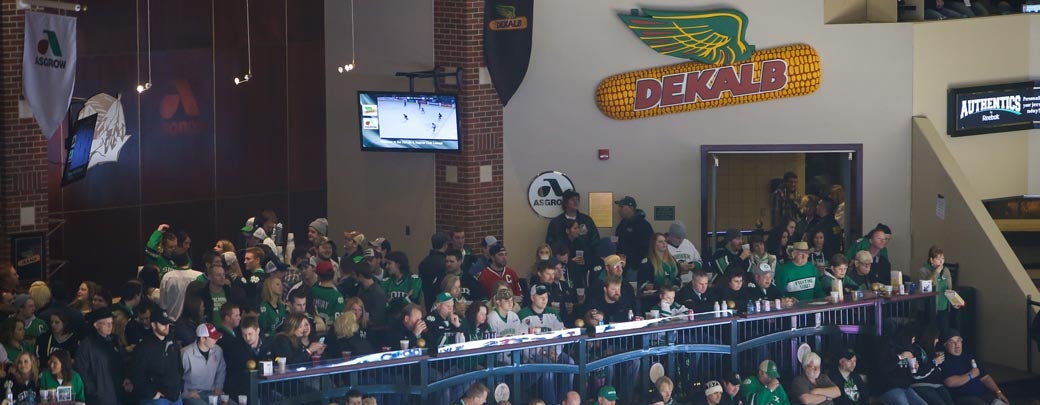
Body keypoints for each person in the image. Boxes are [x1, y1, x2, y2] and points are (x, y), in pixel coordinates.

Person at [939, 330, 1009, 405]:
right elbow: (950, 382)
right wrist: (971, 375)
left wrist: (998, 392)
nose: (957, 344)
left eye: (958, 340)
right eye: (952, 342)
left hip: (982, 395)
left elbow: (985, 377)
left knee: (999, 403)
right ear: (945, 345)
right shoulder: (943, 360)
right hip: (963, 397)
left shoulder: (969, 357)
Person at [77, 308, 130, 405]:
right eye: (106, 323)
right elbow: (83, 371)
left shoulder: (114, 340)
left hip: (118, 392)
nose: (110, 326)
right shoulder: (87, 345)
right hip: (99, 398)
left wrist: (126, 378)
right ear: (96, 325)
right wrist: (93, 392)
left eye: (111, 322)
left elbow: (122, 362)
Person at [132, 310, 182, 405]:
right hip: (156, 400)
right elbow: (137, 375)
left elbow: (179, 368)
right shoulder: (143, 347)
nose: (166, 326)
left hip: (176, 397)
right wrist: (153, 393)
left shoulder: (173, 343)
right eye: (163, 323)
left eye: (167, 323)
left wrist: (179, 387)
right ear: (153, 325)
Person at [877, 327, 928, 405]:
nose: (913, 342)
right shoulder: (888, 347)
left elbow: (910, 374)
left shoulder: (910, 349)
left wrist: (914, 368)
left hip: (905, 387)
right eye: (912, 339)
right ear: (906, 338)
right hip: (888, 387)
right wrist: (900, 357)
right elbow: (883, 369)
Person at [917, 246, 959, 334]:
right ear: (931, 260)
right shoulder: (923, 270)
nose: (941, 261)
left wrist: (954, 301)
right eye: (938, 258)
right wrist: (936, 272)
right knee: (931, 335)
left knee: (944, 333)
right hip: (929, 309)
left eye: (943, 258)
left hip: (943, 308)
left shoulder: (946, 270)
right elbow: (927, 287)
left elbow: (949, 289)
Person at [181, 323, 226, 404]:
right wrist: (186, 393)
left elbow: (221, 370)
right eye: (213, 337)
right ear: (202, 339)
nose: (216, 340)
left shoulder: (218, 350)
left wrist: (219, 387)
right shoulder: (186, 353)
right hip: (193, 395)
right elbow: (176, 377)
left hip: (213, 393)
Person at [546, 190, 601, 255]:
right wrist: (569, 238)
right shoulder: (556, 223)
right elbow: (550, 245)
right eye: (572, 200)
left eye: (577, 199)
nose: (576, 202)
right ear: (565, 203)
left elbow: (595, 242)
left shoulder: (587, 220)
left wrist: (588, 259)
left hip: (585, 262)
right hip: (563, 261)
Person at [910, 326, 954, 405]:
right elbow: (917, 374)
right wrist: (934, 362)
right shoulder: (916, 350)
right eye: (936, 337)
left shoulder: (931, 350)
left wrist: (936, 360)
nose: (937, 340)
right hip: (921, 385)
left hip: (937, 385)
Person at [614, 196, 654, 273]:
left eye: (622, 207)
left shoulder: (643, 225)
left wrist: (632, 258)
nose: (619, 210)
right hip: (622, 264)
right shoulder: (623, 224)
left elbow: (648, 245)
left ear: (631, 207)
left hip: (635, 266)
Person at [382, 251, 423, 322]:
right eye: (386, 264)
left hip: (410, 322)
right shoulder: (385, 282)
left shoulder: (414, 280)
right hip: (391, 322)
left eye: (389, 263)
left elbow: (414, 301)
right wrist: (405, 299)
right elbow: (384, 305)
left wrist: (392, 301)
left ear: (398, 264)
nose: (387, 266)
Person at [419, 233, 452, 308]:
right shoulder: (445, 263)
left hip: (427, 299)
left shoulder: (424, 262)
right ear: (445, 245)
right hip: (442, 301)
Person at [312, 260, 345, 325]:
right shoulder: (337, 296)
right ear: (333, 275)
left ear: (319, 276)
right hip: (329, 331)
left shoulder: (312, 290)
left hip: (314, 328)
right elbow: (338, 320)